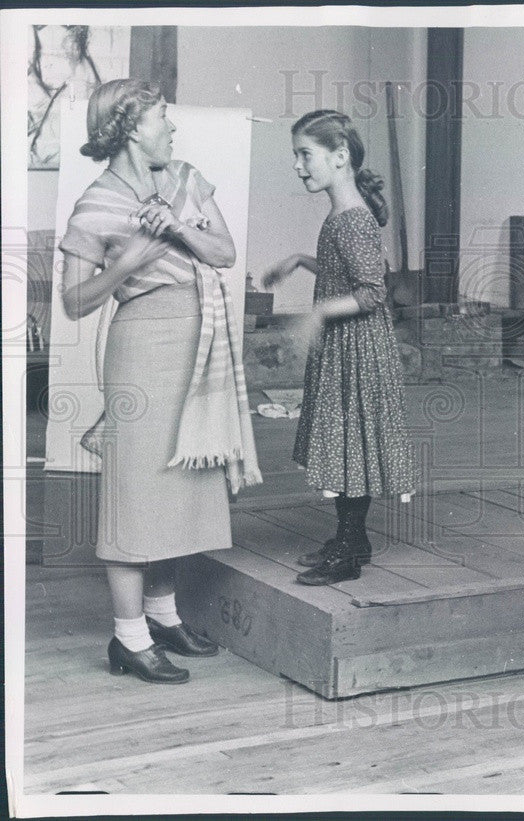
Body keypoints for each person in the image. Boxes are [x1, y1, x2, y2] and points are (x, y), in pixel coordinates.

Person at [61, 79, 261, 684]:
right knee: (136, 493)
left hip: (198, 347)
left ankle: (163, 615)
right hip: (143, 346)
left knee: (183, 485)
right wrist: (128, 262)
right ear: (129, 128)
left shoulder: (186, 179)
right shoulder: (94, 207)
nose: (171, 129)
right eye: (160, 119)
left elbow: (223, 253)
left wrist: (176, 226)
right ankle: (127, 639)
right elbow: (73, 302)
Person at [264, 109, 415, 586]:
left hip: (359, 350)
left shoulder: (351, 218)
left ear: (340, 156)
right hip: (348, 347)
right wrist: (300, 261)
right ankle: (352, 537)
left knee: (351, 448)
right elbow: (347, 270)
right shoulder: (344, 215)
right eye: (297, 155)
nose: (298, 165)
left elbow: (372, 291)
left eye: (305, 154)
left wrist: (317, 313)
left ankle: (350, 550)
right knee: (346, 446)